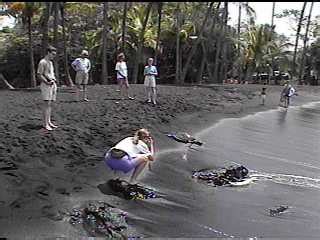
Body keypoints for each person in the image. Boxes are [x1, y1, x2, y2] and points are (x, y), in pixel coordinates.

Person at [37, 46, 58, 131]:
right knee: (46, 104)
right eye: (52, 54)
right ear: (48, 53)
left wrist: (53, 81)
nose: (53, 56)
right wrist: (47, 82)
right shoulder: (42, 62)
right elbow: (39, 74)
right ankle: (45, 124)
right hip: (46, 85)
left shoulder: (50, 62)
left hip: (52, 84)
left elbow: (51, 73)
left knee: (50, 104)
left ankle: (49, 121)